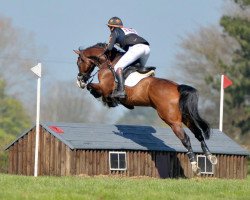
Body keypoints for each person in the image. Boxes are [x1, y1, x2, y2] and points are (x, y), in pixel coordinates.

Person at [105, 16, 150, 99]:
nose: (109, 28)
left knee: (117, 67)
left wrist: (105, 52)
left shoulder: (115, 32)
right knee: (136, 68)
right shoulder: (132, 29)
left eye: (109, 27)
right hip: (147, 48)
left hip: (136, 49)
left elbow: (109, 48)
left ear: (112, 27)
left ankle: (121, 91)